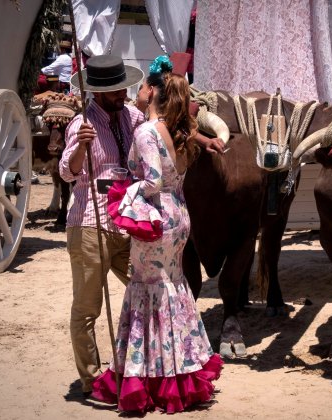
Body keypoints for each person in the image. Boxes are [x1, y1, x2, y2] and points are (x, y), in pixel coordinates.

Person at [91, 55, 222, 414]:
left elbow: (151, 181)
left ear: (151, 92)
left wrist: (122, 192)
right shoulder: (175, 130)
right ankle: (182, 368)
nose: (138, 91)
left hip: (156, 219)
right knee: (172, 288)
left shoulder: (147, 132)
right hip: (177, 214)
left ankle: (154, 376)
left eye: (143, 86)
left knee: (149, 290)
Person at [59, 54, 145, 397]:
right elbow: (67, 171)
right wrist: (82, 144)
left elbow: (151, 133)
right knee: (87, 308)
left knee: (146, 287)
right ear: (97, 92)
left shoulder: (132, 116)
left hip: (128, 223)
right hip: (90, 224)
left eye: (123, 88)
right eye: (114, 91)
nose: (121, 94)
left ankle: (141, 364)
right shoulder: (81, 123)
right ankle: (92, 379)